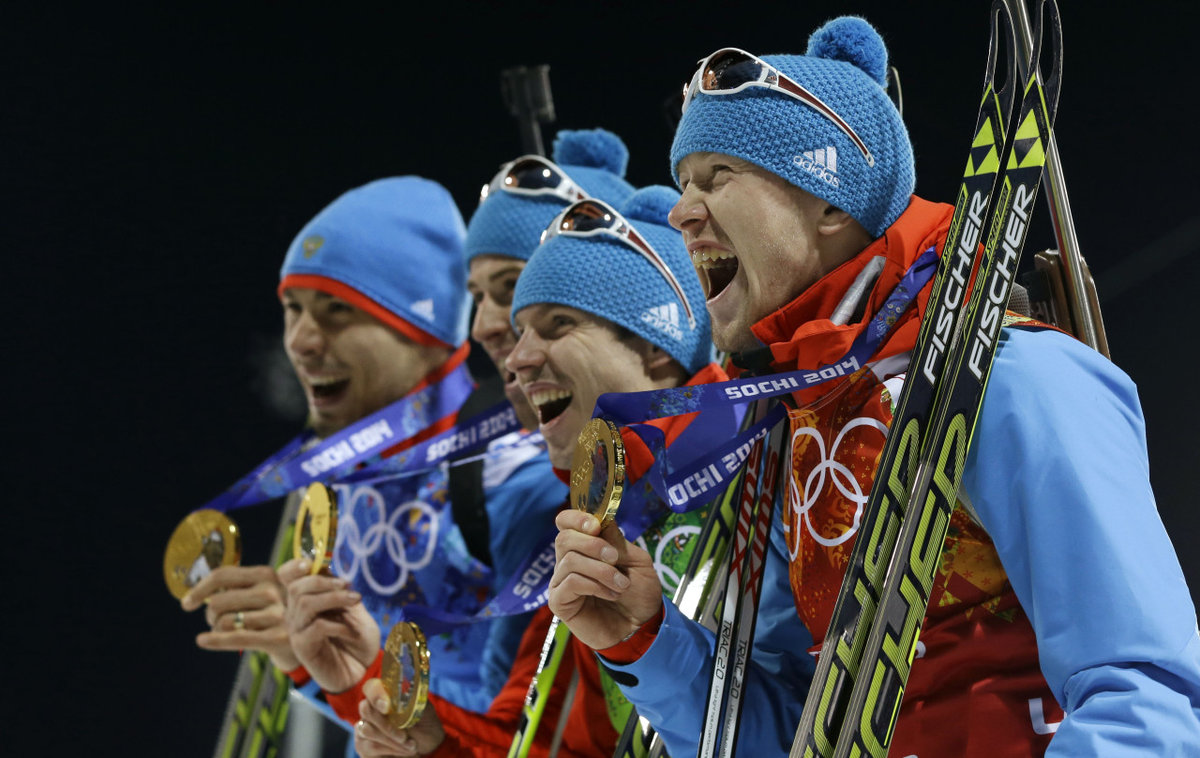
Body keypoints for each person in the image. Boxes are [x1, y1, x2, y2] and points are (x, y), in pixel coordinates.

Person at [546, 15, 1200, 757]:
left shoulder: (1014, 378)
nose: (682, 212)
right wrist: (647, 639)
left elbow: (1144, 696)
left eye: (718, 177)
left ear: (830, 202)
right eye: (682, 184)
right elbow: (798, 734)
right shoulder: (800, 425)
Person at [345, 185, 735, 757]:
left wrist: (646, 641)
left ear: (656, 349)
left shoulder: (766, 458)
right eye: (521, 330)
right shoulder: (589, 527)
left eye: (558, 324)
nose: (518, 358)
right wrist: (427, 743)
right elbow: (545, 746)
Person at [181, 176, 563, 748]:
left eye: (338, 311)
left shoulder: (521, 485)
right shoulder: (345, 478)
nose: (302, 342)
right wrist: (305, 659)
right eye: (293, 309)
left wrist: (354, 677)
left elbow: (529, 736)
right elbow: (388, 721)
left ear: (424, 328)